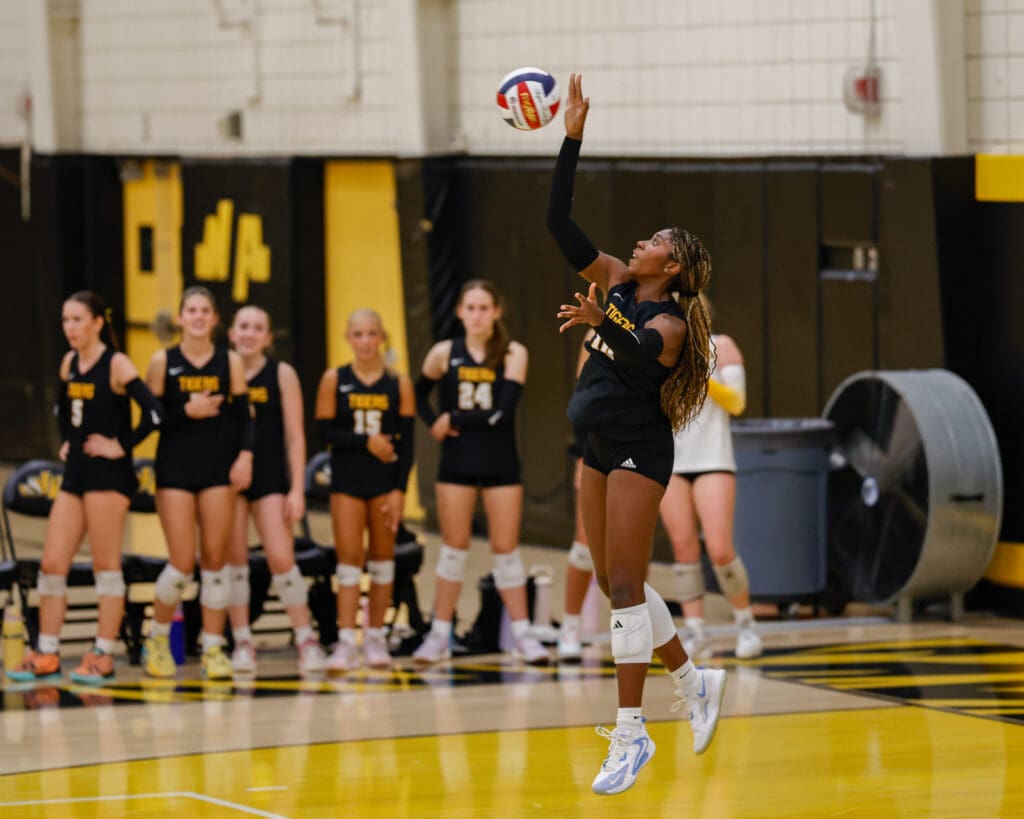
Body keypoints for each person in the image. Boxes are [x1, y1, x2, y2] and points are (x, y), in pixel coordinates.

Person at [548, 74, 727, 795]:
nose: (640, 242)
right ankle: (692, 680)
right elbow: (561, 225)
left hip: (638, 451)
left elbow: (643, 352)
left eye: (655, 240)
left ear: (673, 266)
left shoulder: (674, 323)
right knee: (616, 578)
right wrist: (571, 135)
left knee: (622, 584)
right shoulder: (618, 280)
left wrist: (604, 323)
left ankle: (632, 732)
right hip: (594, 445)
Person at [5, 292, 161, 684]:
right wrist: (66, 438)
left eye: (77, 320)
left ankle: (103, 653)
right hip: (74, 476)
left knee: (106, 568)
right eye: (65, 320)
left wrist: (120, 446)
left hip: (109, 479)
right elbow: (61, 406)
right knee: (51, 565)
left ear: (96, 323)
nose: (70, 328)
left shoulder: (117, 364)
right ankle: (47, 651)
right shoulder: (69, 362)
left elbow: (154, 413)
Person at [412, 279, 548, 666]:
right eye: (470, 308)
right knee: (453, 552)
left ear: (497, 312)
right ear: (459, 312)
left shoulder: (512, 353)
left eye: (484, 308)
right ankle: (439, 635)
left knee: (506, 552)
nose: (477, 315)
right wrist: (433, 420)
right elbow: (417, 393)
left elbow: (501, 413)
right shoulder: (444, 353)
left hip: (500, 463)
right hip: (456, 462)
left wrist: (451, 416)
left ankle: (524, 635)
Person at [142, 286, 254, 680]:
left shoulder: (230, 361)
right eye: (191, 310)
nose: (198, 316)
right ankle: (156, 638)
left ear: (215, 318)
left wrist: (245, 455)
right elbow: (150, 420)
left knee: (215, 562)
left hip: (217, 470)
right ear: (180, 317)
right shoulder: (163, 361)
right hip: (174, 471)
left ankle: (213, 646)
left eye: (205, 310)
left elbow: (245, 417)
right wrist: (186, 411)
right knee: (180, 563)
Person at [224, 305, 327, 676]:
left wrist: (297, 489)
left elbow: (296, 437)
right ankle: (242, 641)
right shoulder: (221, 370)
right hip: (230, 480)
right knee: (234, 562)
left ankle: (305, 638)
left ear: (268, 338)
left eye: (258, 328)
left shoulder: (281, 374)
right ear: (232, 333)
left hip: (270, 478)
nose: (249, 333)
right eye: (243, 327)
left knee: (282, 558)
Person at [314, 308, 415, 672]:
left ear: (382, 336)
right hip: (347, 482)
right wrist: (365, 442)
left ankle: (375, 638)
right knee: (349, 561)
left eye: (372, 333)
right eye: (358, 334)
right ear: (348, 338)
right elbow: (324, 433)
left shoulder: (397, 383)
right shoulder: (334, 379)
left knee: (383, 560)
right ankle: (345, 640)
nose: (366, 341)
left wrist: (400, 490)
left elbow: (408, 443)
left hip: (385, 485)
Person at [660, 318, 763, 661]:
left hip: (713, 459)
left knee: (719, 549)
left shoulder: (722, 346)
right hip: (671, 461)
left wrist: (701, 378)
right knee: (683, 548)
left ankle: (745, 623)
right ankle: (695, 632)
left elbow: (737, 403)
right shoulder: (657, 347)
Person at [556, 330, 596, 662]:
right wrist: (584, 456)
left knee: (633, 547)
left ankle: (632, 627)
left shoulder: (656, 327)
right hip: (598, 448)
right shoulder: (598, 332)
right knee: (584, 544)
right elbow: (582, 400)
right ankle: (571, 625)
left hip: (641, 448)